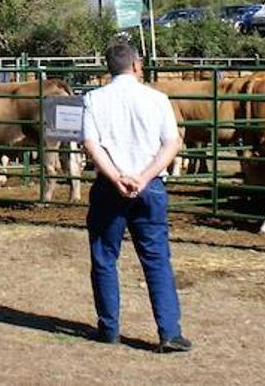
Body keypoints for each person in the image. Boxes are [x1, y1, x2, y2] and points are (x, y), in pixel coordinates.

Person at [81, 42, 190, 352]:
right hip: (150, 185)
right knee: (156, 258)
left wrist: (116, 177)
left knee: (104, 257)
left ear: (109, 68)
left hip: (108, 186)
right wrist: (144, 177)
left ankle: (109, 328)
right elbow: (171, 143)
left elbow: (91, 143)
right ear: (137, 66)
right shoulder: (157, 99)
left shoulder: (93, 99)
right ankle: (169, 332)